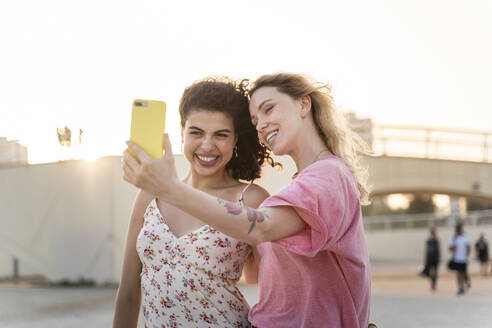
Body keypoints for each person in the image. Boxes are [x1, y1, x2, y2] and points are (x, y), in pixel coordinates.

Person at [123, 72, 372, 327]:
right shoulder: (303, 184)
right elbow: (264, 275)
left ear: (303, 104)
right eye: (255, 120)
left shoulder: (328, 176)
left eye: (269, 108)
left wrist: (170, 189)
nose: (261, 124)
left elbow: (261, 227)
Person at [113, 76, 276, 328]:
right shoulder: (150, 195)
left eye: (221, 135)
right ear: (182, 132)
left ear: (235, 141)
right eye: (196, 133)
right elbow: (127, 294)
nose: (207, 146)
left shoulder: (251, 199)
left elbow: (274, 288)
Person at [449, 223, 471, 295]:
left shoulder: (465, 236)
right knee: (459, 273)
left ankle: (467, 281)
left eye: (458, 228)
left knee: (464, 273)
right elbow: (450, 248)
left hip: (464, 259)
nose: (457, 230)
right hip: (457, 259)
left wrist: (467, 255)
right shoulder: (454, 238)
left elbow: (468, 246)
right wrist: (453, 248)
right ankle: (460, 288)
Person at [420, 227, 440, 291]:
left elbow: (438, 250)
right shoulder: (428, 240)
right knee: (430, 272)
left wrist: (439, 258)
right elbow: (426, 250)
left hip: (435, 258)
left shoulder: (436, 240)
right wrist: (425, 259)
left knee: (435, 272)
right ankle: (432, 283)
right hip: (429, 259)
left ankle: (434, 283)